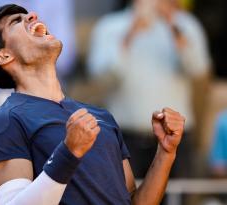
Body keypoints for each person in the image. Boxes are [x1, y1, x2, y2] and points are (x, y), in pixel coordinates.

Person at [0, 4, 186, 205]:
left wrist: (165, 152)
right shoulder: (4, 122)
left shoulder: (101, 115)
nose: (33, 16)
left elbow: (134, 201)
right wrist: (69, 152)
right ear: (3, 56)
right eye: (16, 21)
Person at [86, 0, 210, 177]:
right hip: (125, 137)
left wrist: (172, 25)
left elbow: (197, 69)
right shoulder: (109, 26)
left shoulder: (185, 24)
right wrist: (130, 33)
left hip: (175, 136)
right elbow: (102, 78)